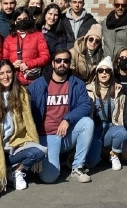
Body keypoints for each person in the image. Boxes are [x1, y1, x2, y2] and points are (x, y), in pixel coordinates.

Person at [28, 45, 95, 184]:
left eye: (65, 61)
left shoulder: (77, 84)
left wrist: (67, 119)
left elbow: (86, 105)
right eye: (58, 61)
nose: (62, 64)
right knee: (50, 177)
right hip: (46, 137)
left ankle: (77, 167)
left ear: (69, 64)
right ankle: (52, 161)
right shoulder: (38, 85)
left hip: (66, 134)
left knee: (87, 123)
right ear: (53, 63)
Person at [0, 60, 47, 194]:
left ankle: (17, 170)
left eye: (8, 72)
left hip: (16, 144)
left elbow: (28, 122)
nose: (6, 77)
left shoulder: (21, 93)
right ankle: (2, 168)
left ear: (13, 73)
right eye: (1, 73)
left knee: (39, 152)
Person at [86, 56, 127, 171]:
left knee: (122, 132)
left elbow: (122, 114)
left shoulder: (118, 91)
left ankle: (114, 154)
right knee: (90, 163)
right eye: (101, 71)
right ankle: (101, 152)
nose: (104, 73)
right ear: (97, 73)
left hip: (111, 128)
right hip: (95, 130)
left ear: (111, 74)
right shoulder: (88, 90)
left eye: (107, 71)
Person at [2, 7, 50, 87]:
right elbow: (4, 60)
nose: (22, 21)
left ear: (29, 20)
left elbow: (45, 57)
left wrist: (28, 64)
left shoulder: (38, 35)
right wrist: (12, 64)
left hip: (33, 80)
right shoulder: (9, 39)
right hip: (14, 82)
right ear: (15, 21)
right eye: (19, 19)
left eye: (25, 19)